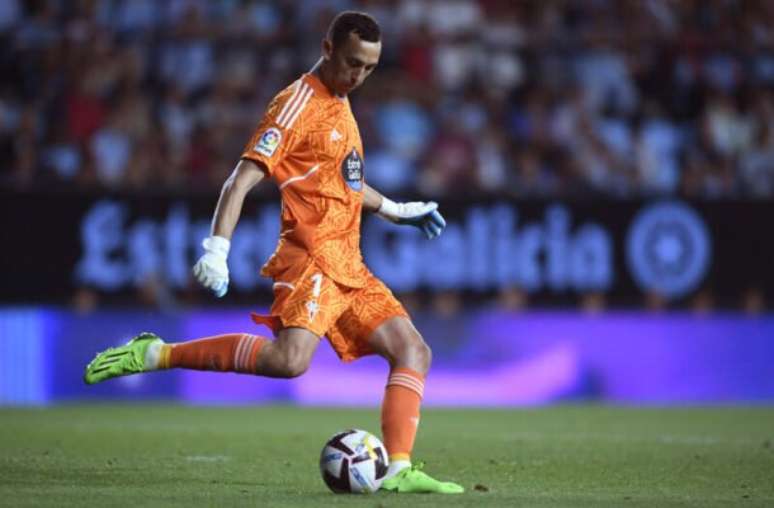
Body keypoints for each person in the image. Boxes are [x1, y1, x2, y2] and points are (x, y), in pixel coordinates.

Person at [84, 11, 462, 495]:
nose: (358, 76)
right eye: (352, 63)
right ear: (327, 48)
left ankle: (400, 468)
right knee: (289, 362)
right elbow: (239, 180)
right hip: (311, 259)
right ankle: (156, 353)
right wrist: (217, 249)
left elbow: (340, 182)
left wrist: (393, 208)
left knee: (413, 350)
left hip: (349, 261)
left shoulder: (341, 101)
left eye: (369, 68)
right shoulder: (296, 104)